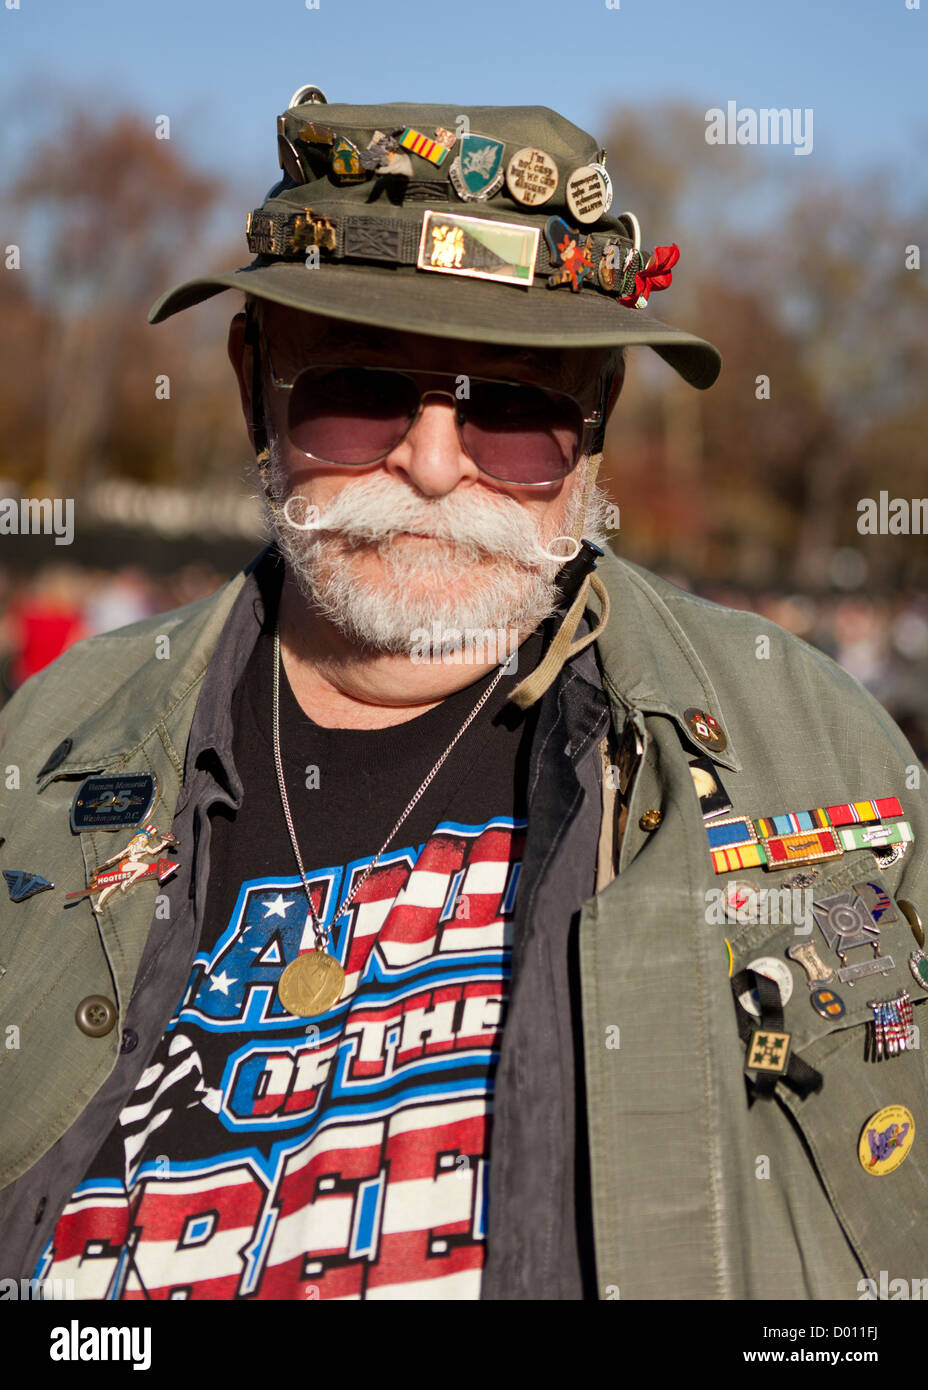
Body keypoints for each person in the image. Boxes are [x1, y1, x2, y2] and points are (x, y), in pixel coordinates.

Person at [1, 93, 926, 1303]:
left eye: (516, 412)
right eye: (360, 392)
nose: (433, 465)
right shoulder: (50, 743)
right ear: (252, 383)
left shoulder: (806, 742)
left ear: (595, 422)